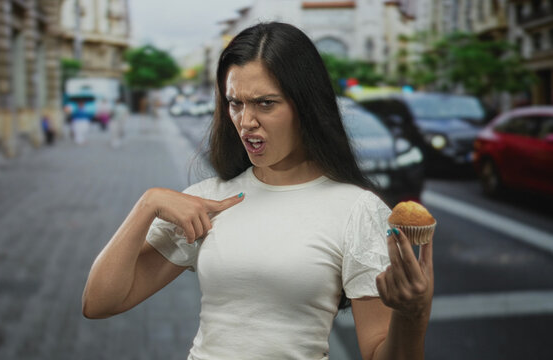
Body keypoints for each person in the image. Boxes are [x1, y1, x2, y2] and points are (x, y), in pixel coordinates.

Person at [82, 22, 433, 360]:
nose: (246, 121)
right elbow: (99, 303)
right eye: (235, 103)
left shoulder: (358, 209)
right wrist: (147, 204)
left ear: (306, 106)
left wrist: (412, 316)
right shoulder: (208, 201)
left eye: (265, 103)